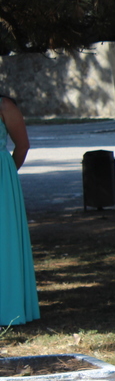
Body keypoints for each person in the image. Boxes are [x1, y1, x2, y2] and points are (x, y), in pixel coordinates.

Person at [0, 94, 39, 327]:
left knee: (4, 242)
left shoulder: (4, 105)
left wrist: (7, 177)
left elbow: (22, 145)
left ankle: (7, 307)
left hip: (1, 180)